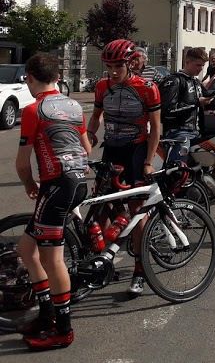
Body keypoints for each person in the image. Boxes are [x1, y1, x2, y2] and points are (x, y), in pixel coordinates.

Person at [14, 53, 92, 350]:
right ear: (57, 78)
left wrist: (28, 184)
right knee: (26, 248)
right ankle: (46, 315)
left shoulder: (34, 110)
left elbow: (22, 163)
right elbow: (86, 147)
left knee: (52, 258)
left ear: (30, 78)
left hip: (56, 185)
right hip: (75, 181)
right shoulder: (73, 105)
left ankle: (64, 329)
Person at [85, 39, 162, 297]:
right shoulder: (102, 86)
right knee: (102, 208)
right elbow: (95, 119)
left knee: (137, 212)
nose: (113, 70)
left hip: (136, 151)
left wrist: (149, 161)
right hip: (112, 149)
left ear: (130, 62)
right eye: (109, 65)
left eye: (118, 65)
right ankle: (101, 263)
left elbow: (156, 128)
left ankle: (140, 271)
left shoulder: (147, 87)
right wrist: (87, 142)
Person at [157, 47, 211, 166]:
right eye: (198, 65)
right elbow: (167, 110)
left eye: (203, 65)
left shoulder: (196, 82)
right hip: (178, 133)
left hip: (196, 133)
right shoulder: (174, 81)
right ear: (187, 62)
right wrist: (197, 103)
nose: (201, 69)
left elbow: (210, 98)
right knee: (178, 171)